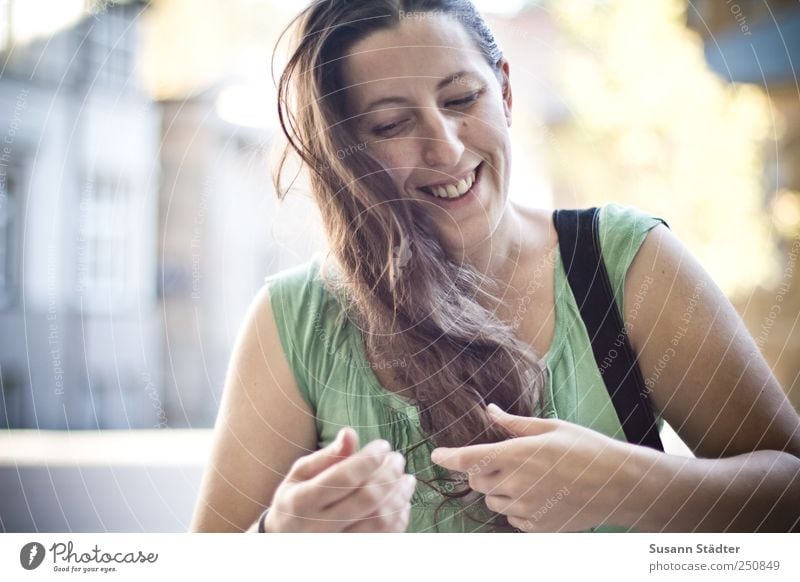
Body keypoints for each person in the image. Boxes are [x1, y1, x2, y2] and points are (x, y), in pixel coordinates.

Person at [189, 0, 800, 533]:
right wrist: (277, 539)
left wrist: (630, 483)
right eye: (392, 125)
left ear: (504, 91)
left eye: (461, 99)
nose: (447, 147)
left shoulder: (621, 261)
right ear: (345, 150)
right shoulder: (294, 319)